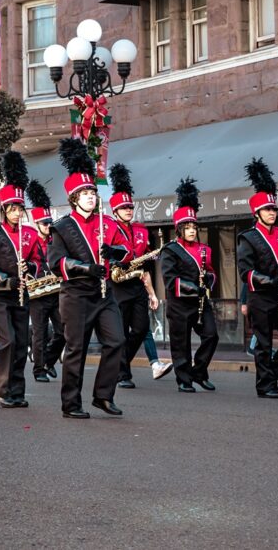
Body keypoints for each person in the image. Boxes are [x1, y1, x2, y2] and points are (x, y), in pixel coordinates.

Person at [47, 138, 128, 419]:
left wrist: (115, 251)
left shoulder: (107, 223)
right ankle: (71, 403)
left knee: (116, 341)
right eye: (85, 193)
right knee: (76, 349)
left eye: (93, 191)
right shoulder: (62, 227)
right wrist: (85, 267)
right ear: (73, 198)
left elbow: (125, 250)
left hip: (104, 294)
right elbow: (55, 262)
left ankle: (103, 396)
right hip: (76, 295)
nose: (91, 196)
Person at [0, 152, 42, 408]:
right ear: (3, 210)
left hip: (22, 294)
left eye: (19, 209)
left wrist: (30, 271)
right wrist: (7, 280)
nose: (17, 213)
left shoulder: (30, 233)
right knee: (8, 341)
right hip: (0, 296)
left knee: (23, 341)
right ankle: (2, 390)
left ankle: (18, 390)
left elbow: (39, 259)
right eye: (12, 209)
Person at [236, 158, 278, 399]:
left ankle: (276, 371)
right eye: (267, 209)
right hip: (260, 297)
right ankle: (265, 385)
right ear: (257, 213)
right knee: (263, 343)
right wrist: (269, 280)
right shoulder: (249, 238)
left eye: (274, 209)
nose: (272, 213)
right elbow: (246, 272)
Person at [107, 164, 163, 390]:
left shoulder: (141, 230)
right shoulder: (109, 229)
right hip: (118, 285)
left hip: (138, 284)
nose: (128, 210)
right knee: (120, 333)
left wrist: (152, 293)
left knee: (140, 329)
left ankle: (120, 363)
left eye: (130, 206)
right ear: (115, 211)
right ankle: (122, 374)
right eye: (123, 207)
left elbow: (148, 265)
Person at [160, 178, 219, 393]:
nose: (192, 230)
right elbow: (170, 280)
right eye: (188, 227)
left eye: (194, 226)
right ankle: (183, 379)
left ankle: (199, 373)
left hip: (201, 302)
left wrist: (208, 283)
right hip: (179, 304)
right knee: (181, 343)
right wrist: (195, 288)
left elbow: (211, 272)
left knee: (211, 335)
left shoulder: (205, 249)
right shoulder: (170, 250)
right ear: (179, 229)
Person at [25, 179, 65, 382]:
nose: (49, 226)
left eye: (50, 223)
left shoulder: (56, 240)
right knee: (39, 334)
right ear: (36, 224)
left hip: (56, 293)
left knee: (63, 331)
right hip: (38, 295)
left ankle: (49, 361)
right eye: (44, 223)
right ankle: (39, 370)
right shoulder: (31, 241)